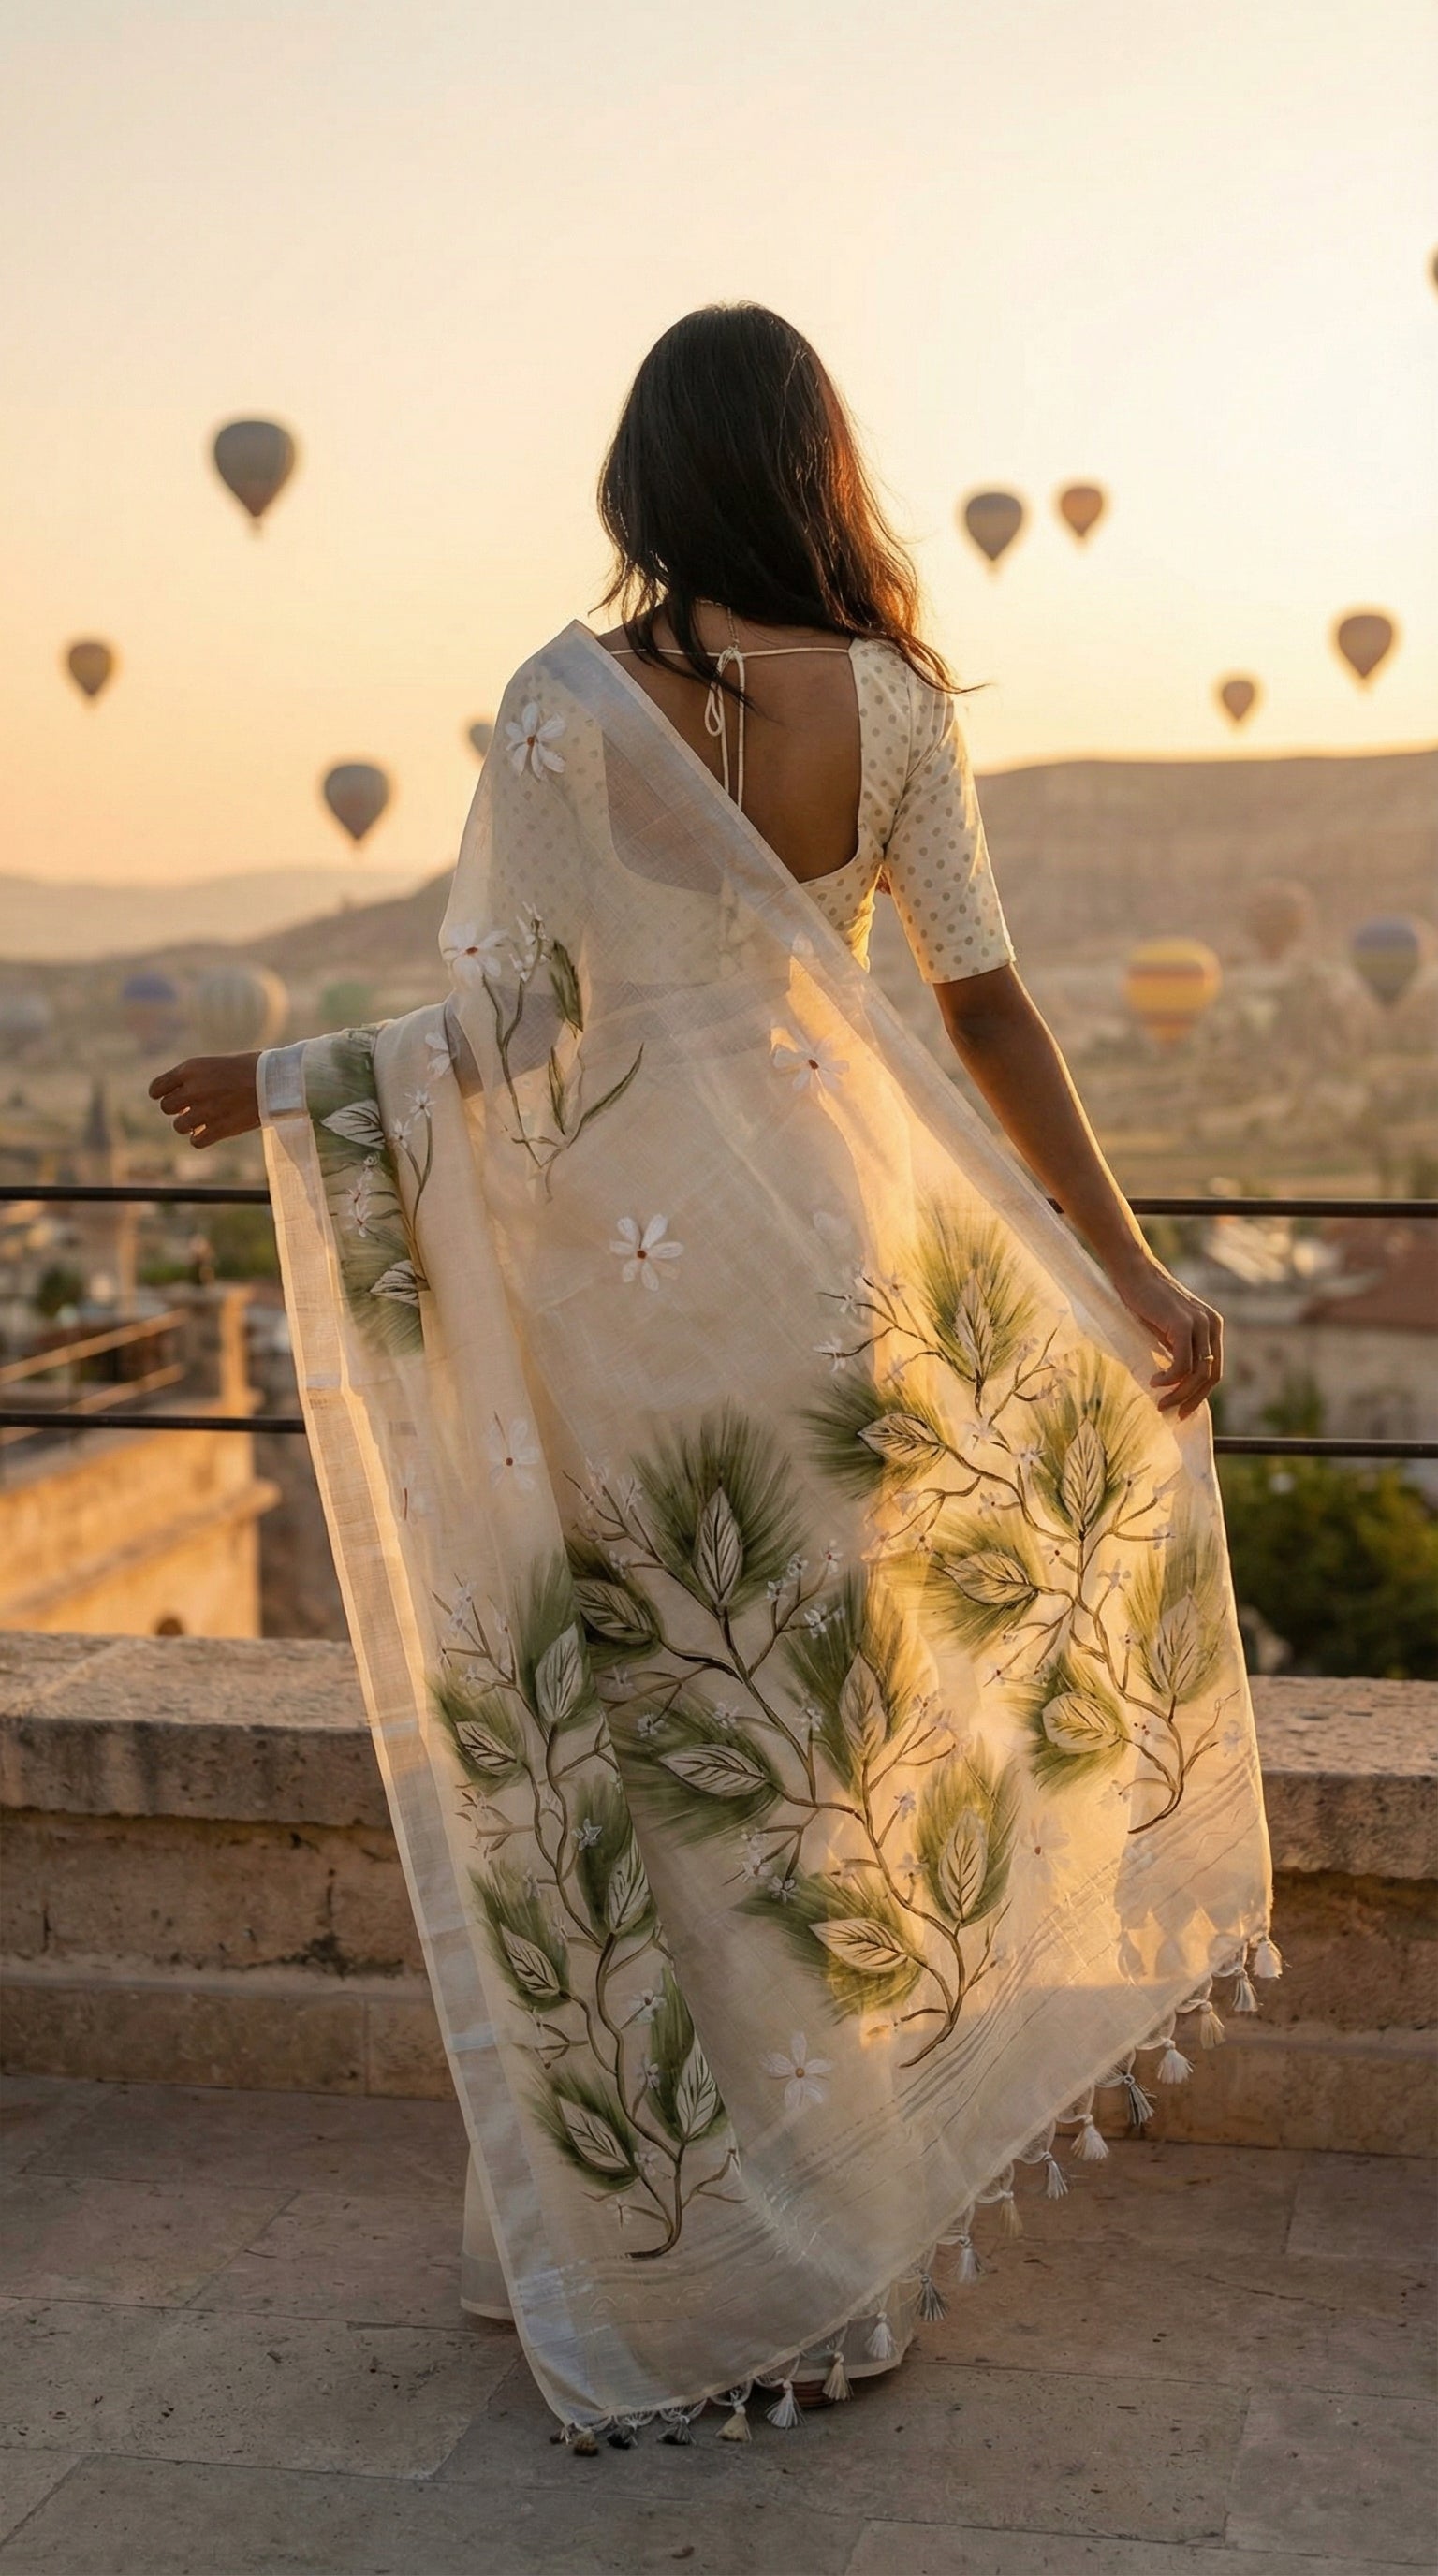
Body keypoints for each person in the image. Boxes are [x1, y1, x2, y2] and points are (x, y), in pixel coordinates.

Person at [153, 304, 1272, 2448]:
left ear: (646, 475)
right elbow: (995, 1014)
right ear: (817, 464)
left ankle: (656, 2232)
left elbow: (497, 1037)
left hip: (628, 1281)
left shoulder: (569, 709)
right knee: (820, 1751)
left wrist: (291, 1079)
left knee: (661, 1736)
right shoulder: (905, 712)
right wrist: (1120, 1267)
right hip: (829, 1266)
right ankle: (830, 2266)